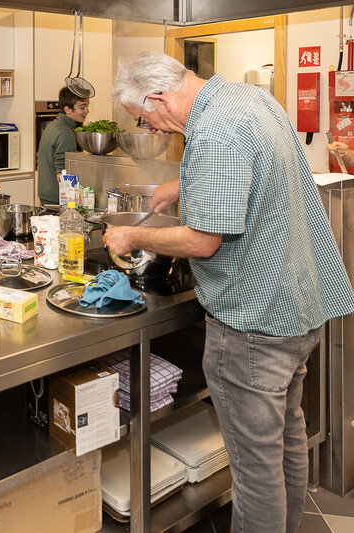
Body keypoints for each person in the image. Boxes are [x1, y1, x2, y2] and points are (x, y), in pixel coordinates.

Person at [105, 52, 354, 533]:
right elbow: (258, 165)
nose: (152, 128)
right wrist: (181, 184)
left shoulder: (213, 130)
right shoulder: (246, 98)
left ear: (158, 96)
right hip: (299, 303)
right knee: (286, 439)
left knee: (255, 469)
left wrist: (129, 235)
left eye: (145, 118)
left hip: (253, 325)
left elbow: (202, 240)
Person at [36, 86, 90, 206]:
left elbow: (40, 163)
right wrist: (70, 205)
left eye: (87, 106)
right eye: (82, 107)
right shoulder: (66, 132)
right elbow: (62, 173)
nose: (87, 111)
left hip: (46, 197)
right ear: (68, 109)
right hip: (58, 200)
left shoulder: (51, 126)